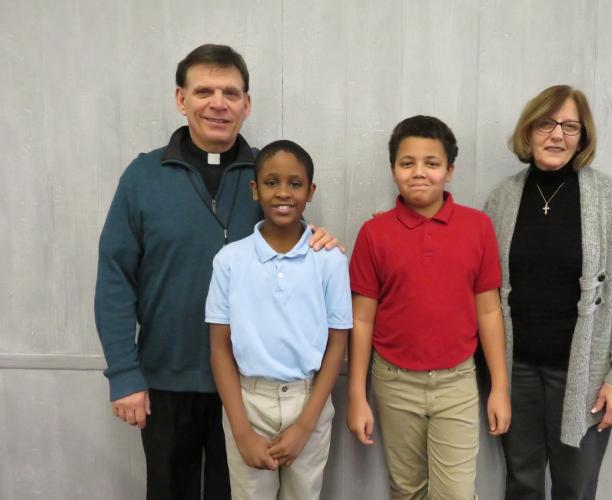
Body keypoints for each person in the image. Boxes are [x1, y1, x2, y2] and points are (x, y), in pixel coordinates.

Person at [94, 44, 338, 500]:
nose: (218, 103)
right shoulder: (143, 176)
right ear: (180, 99)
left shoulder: (272, 174)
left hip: (252, 389)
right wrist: (124, 374)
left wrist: (320, 239)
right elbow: (114, 278)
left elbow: (297, 243)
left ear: (247, 104)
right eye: (204, 90)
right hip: (168, 377)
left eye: (231, 92)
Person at [483, 84, 612, 500]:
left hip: (585, 375)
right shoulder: (503, 198)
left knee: (575, 487)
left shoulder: (608, 196)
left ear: (583, 137)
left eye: (570, 126)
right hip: (515, 370)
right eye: (547, 123)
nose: (557, 135)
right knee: (521, 482)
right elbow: (478, 280)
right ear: (529, 130)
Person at [347, 115, 511, 499]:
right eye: (407, 163)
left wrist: (499, 387)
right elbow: (361, 317)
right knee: (407, 490)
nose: (419, 172)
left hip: (457, 382)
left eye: (432, 163)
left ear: (449, 171)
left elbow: (488, 311)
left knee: (454, 492)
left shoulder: (477, 227)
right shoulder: (374, 233)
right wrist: (357, 394)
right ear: (393, 170)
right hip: (393, 382)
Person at [205, 140, 352, 500]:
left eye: (295, 184)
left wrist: (305, 425)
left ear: (310, 191)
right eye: (271, 182)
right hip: (248, 401)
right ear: (255, 190)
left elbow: (337, 344)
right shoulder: (230, 260)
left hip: (309, 400)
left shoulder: (329, 261)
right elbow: (220, 349)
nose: (283, 193)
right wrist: (241, 431)